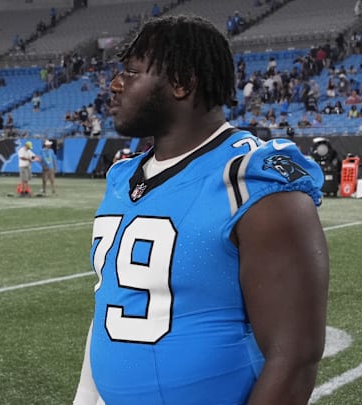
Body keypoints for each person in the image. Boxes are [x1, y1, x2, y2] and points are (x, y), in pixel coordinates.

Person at [74, 15, 328, 405]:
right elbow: (114, 301)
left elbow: (294, 356)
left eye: (131, 72)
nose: (114, 85)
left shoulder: (251, 179)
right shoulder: (124, 175)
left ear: (182, 83)